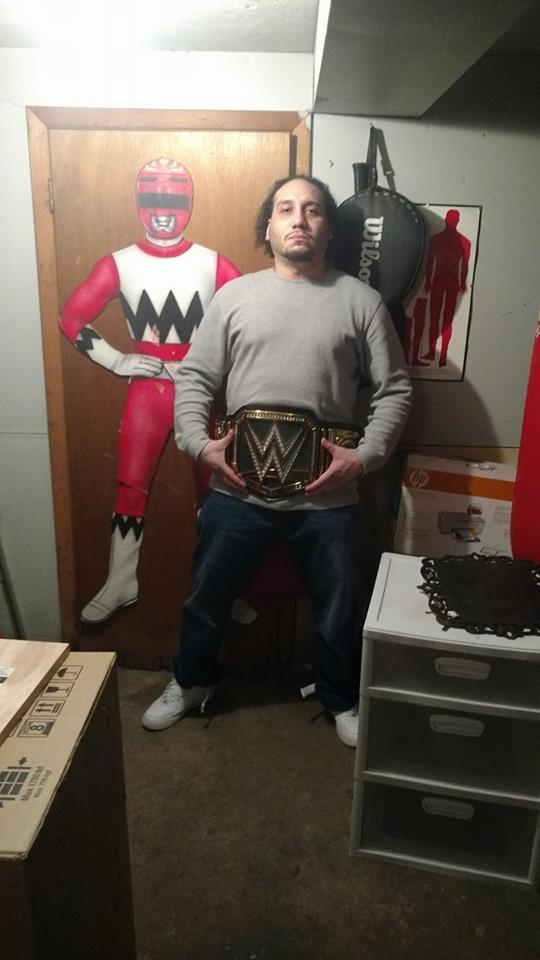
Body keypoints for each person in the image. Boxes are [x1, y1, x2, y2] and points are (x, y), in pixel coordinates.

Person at [142, 174, 412, 747]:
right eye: (286, 209)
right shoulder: (234, 297)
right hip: (236, 491)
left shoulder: (361, 302)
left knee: (339, 607)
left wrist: (365, 458)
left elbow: (395, 390)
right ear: (268, 227)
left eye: (312, 210)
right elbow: (195, 378)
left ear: (328, 228)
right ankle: (192, 681)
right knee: (206, 598)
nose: (299, 219)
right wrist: (198, 444)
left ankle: (339, 697)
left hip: (329, 495)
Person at [59, 157, 241, 624]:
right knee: (131, 481)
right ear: (139, 202)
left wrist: (214, 367)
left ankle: (221, 583)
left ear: (189, 203)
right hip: (148, 390)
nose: (163, 211)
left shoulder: (213, 263)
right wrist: (117, 360)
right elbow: (71, 317)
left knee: (215, 487)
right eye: (154, 198)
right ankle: (122, 579)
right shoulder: (120, 263)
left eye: (173, 199)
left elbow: (251, 322)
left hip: (197, 391)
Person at [422, 209, 471, 367]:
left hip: (443, 282)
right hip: (448, 283)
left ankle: (438, 353)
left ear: (446, 220)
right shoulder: (463, 241)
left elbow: (431, 262)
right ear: (457, 221)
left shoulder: (438, 240)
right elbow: (463, 265)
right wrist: (461, 282)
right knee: (442, 320)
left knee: (439, 319)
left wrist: (429, 281)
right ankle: (438, 354)